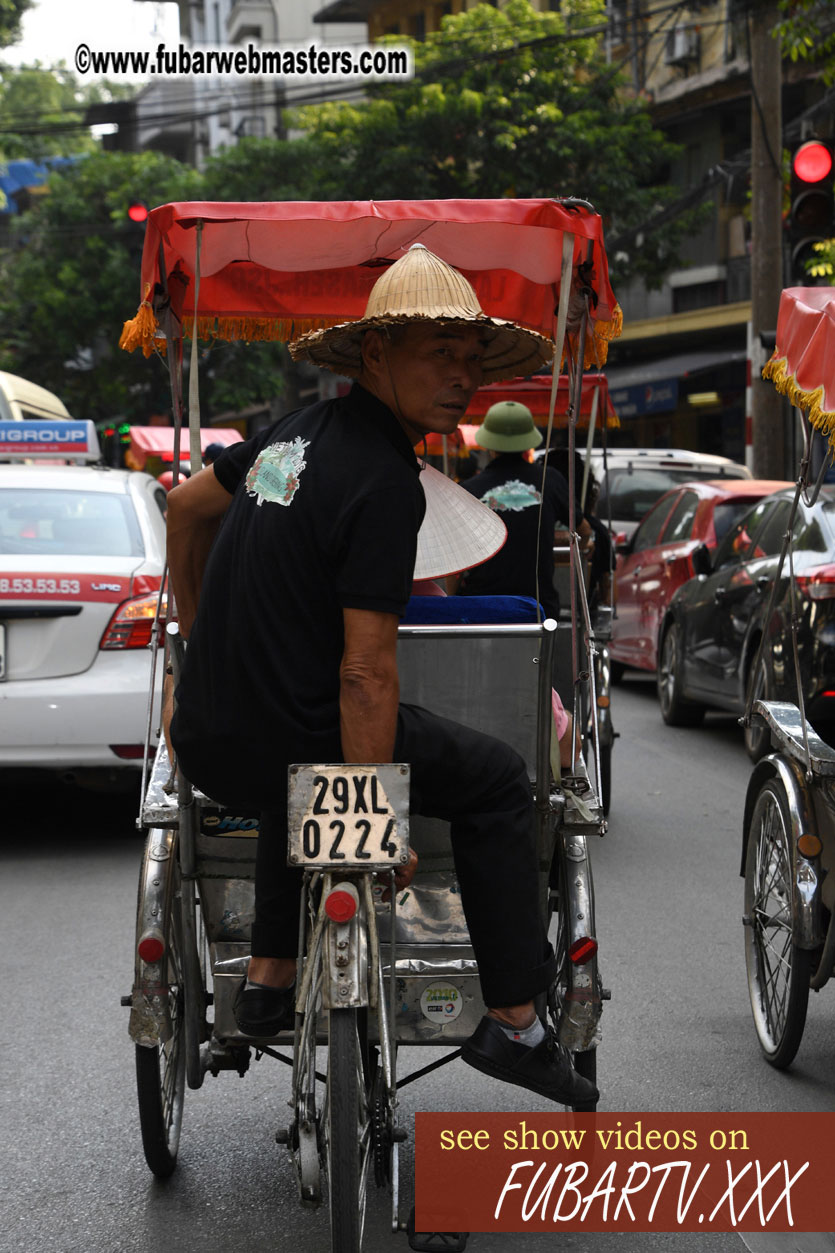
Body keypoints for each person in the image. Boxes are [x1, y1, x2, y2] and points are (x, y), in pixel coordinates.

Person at [166, 243, 597, 1106]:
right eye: (439, 352)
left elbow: (183, 508)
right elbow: (365, 675)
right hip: (297, 744)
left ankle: (268, 975)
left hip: (210, 737)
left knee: (302, 753)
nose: (462, 374)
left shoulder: (290, 437)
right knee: (499, 779)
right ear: (374, 356)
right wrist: (377, 821)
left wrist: (193, 643)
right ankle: (515, 1018)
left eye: (470, 356)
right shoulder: (384, 480)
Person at [453, 401, 591, 620]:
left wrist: (452, 600)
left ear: (489, 444)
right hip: (538, 609)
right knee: (538, 656)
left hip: (481, 610)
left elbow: (456, 560)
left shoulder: (469, 490)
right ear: (528, 440)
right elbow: (584, 532)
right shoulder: (550, 479)